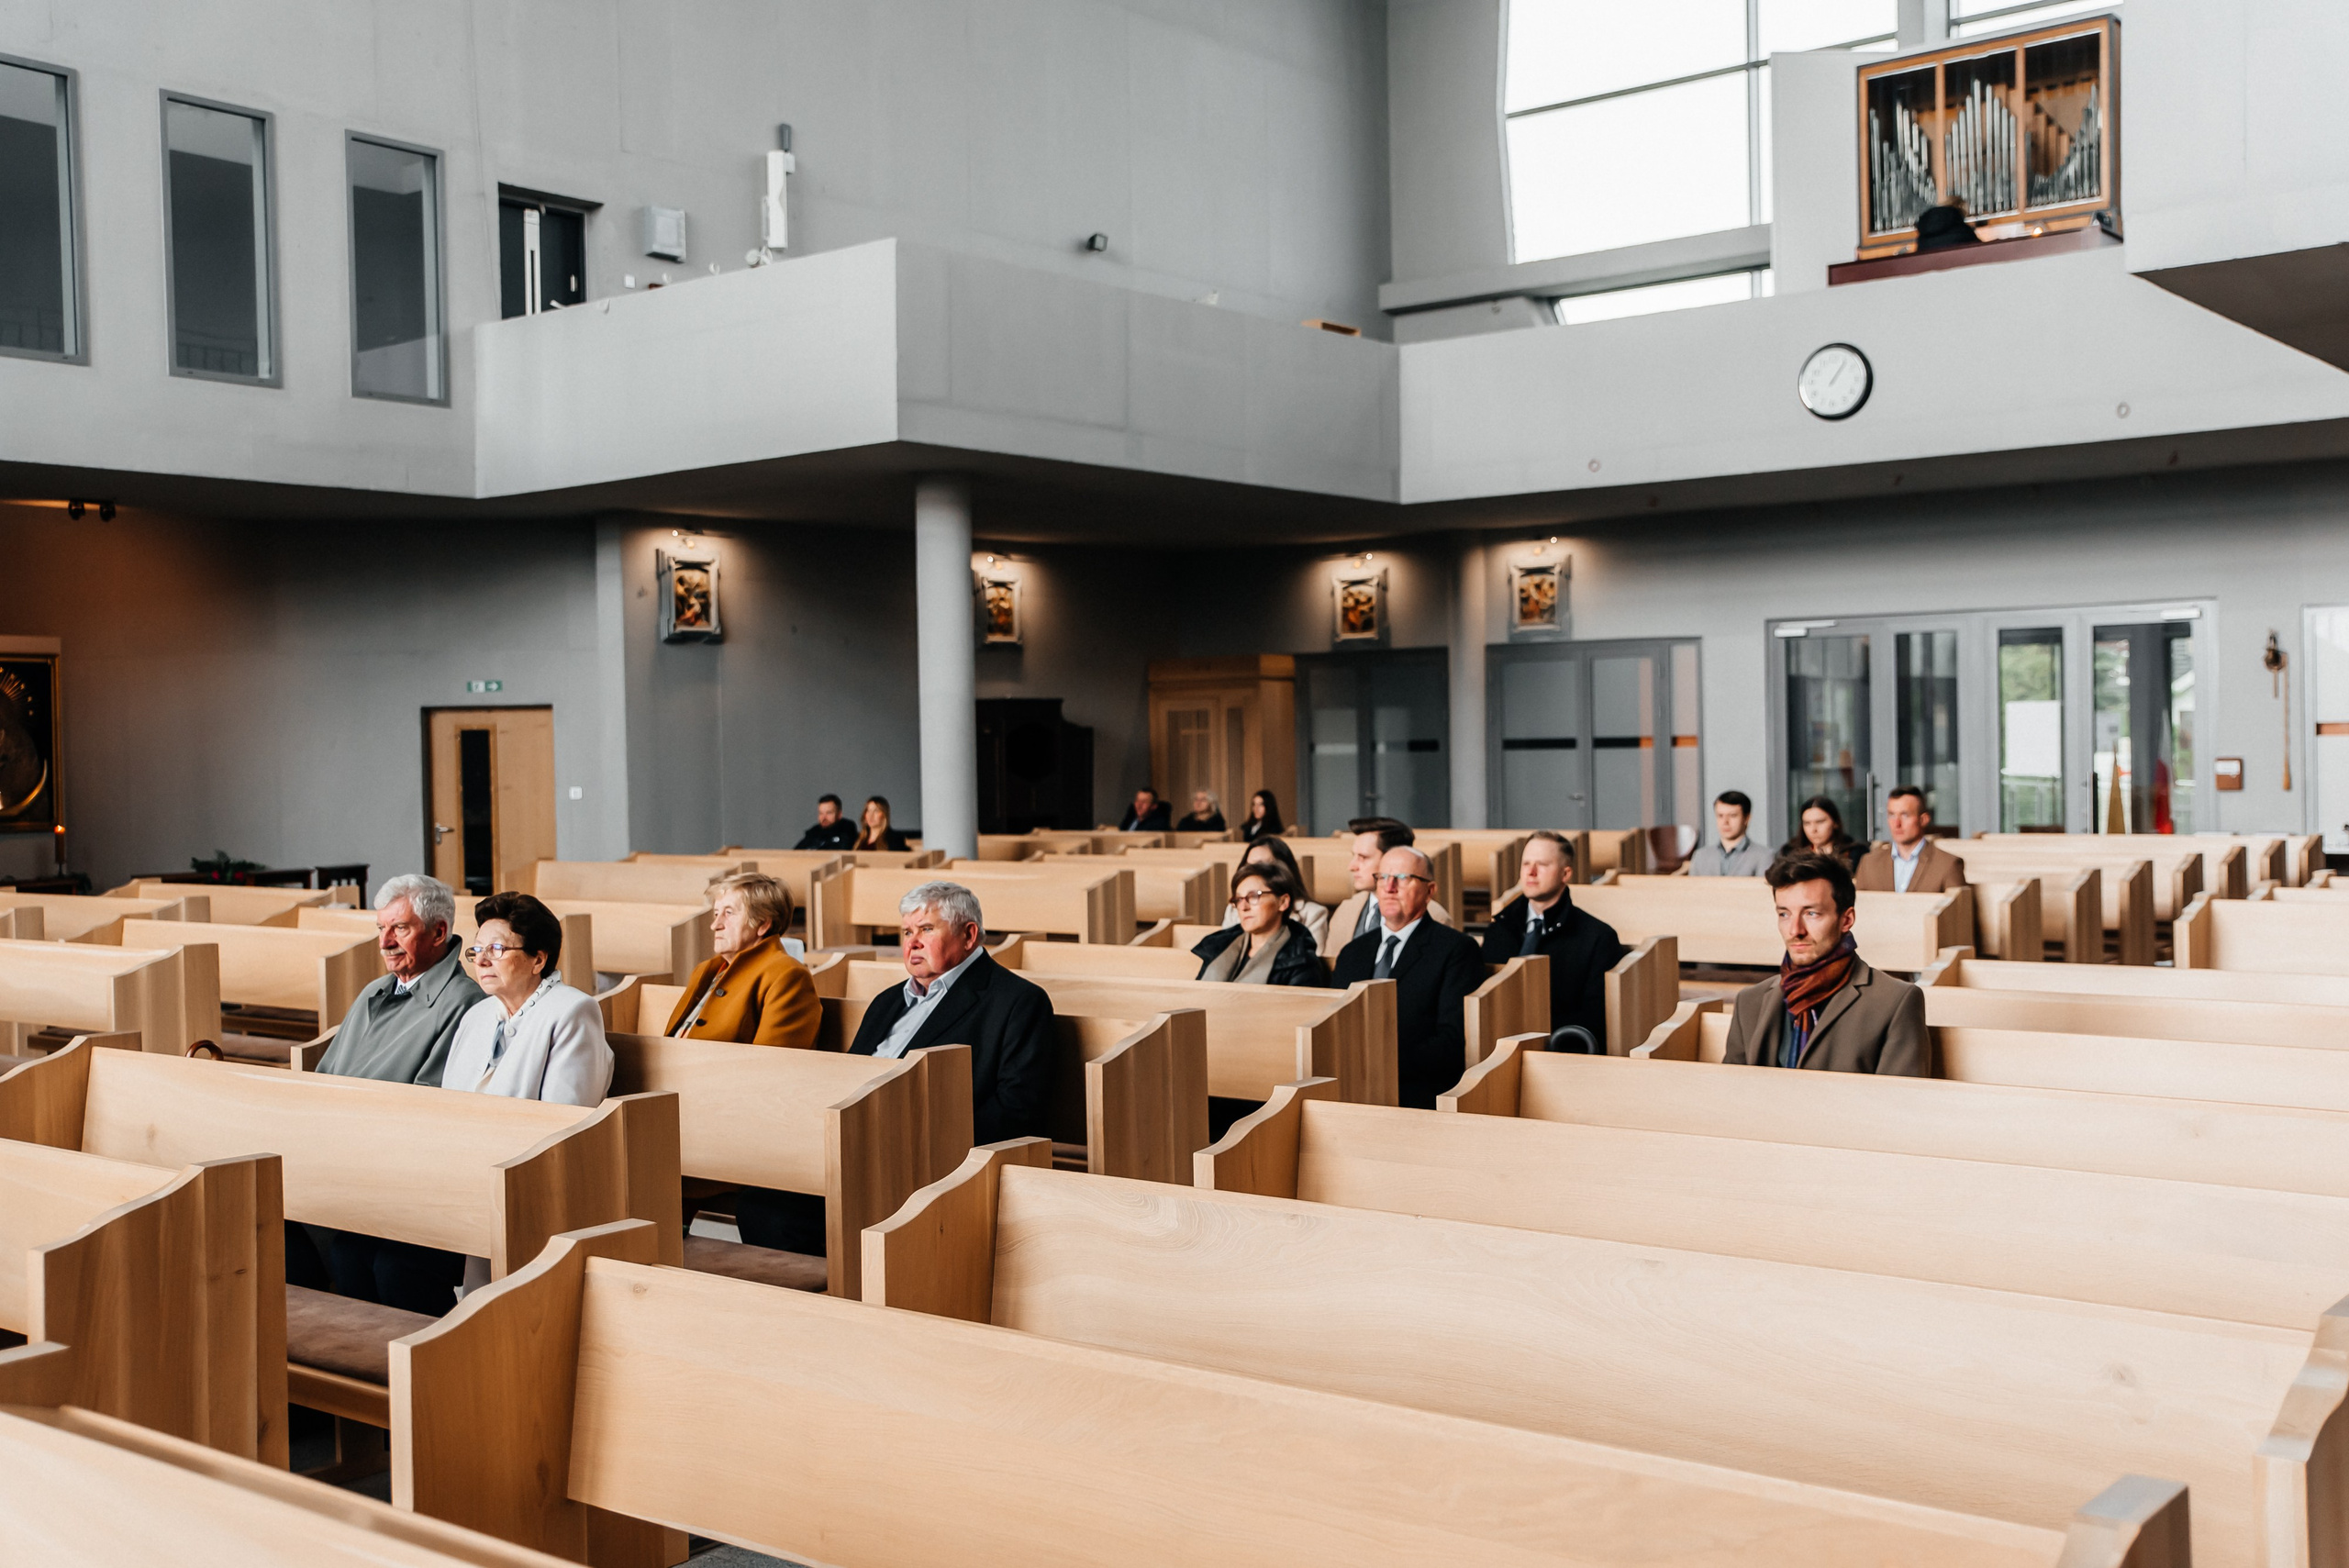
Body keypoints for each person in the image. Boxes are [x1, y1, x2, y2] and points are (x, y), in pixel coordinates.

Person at [299, 872, 484, 1316]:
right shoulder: (373, 993)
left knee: (387, 1268)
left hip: (405, 1172)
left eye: (399, 928)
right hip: (346, 1159)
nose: (385, 942)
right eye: (380, 929)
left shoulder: (465, 1002)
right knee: (299, 1242)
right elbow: (326, 1075)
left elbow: (429, 1105)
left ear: (439, 932)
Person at [849, 882, 1052, 1146]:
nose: (913, 944)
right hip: (855, 1133)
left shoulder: (1019, 1002)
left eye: (927, 929)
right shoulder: (886, 1001)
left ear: (968, 936)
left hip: (928, 1149)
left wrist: (920, 1141)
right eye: (907, 932)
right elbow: (849, 1073)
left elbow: (1016, 1112)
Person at [1721, 853, 1927, 1075]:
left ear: (1846, 920)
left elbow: (1900, 1104)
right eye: (1784, 914)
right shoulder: (1749, 1001)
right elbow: (1730, 1096)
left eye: (1811, 913)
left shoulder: (1895, 1002)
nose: (1795, 930)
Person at [1331, 846, 1485, 1107]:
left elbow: (1451, 1043)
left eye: (1402, 878)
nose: (1390, 887)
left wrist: (1378, 1064)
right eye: (1382, 878)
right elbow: (1333, 1025)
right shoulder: (1352, 952)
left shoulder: (1455, 950)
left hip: (1414, 1092)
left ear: (1430, 891)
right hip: (1346, 1088)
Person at [441, 892, 614, 1106]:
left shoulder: (573, 1011)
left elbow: (566, 1120)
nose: (481, 961)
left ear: (538, 960)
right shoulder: (475, 1015)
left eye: (496, 949)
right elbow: (447, 1103)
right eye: (477, 949)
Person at [1478, 831, 1624, 1051]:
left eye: (1542, 865)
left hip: (1558, 1049)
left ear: (1565, 874)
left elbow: (1596, 1016)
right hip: (1495, 1043)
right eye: (1526, 863)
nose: (1531, 872)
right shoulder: (1500, 928)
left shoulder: (1598, 937)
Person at [664, 873, 819, 1046]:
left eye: (729, 913)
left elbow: (773, 1064)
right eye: (716, 914)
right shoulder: (706, 970)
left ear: (762, 924)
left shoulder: (788, 976)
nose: (715, 925)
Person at [1322, 817, 1453, 958]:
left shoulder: (1435, 917)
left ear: (1392, 858)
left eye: (1364, 857)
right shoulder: (1346, 910)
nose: (1352, 867)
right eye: (1354, 856)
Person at [1191, 863, 1329, 986]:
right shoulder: (1218, 946)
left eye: (1254, 897)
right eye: (1238, 899)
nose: (1243, 907)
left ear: (1283, 902)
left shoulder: (1301, 961)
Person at [1218, 836, 1330, 947]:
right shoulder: (1234, 910)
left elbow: (1312, 961)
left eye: (1262, 866)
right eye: (1249, 866)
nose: (1252, 873)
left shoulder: (1313, 914)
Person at [1854, 786, 1969, 894]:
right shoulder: (1869, 863)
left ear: (1923, 819)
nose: (1897, 824)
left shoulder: (1948, 865)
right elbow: (1859, 911)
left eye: (1905, 815)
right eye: (1892, 815)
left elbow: (1959, 913)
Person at [1687, 791, 1769, 877]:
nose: (1725, 822)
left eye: (1733, 816)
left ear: (1747, 818)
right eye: (1720, 816)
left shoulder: (1764, 856)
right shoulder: (1701, 856)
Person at [1777, 795, 1863, 872]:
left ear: (1835, 823)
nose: (1813, 829)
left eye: (1820, 822)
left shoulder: (1855, 854)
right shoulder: (1789, 853)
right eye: (1807, 823)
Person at [793, 794, 858, 851]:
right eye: (821, 813)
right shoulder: (813, 833)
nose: (824, 818)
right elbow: (795, 853)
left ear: (839, 814)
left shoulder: (847, 831)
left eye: (829, 813)